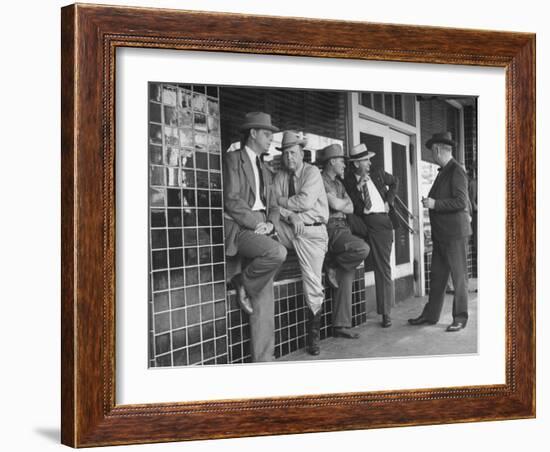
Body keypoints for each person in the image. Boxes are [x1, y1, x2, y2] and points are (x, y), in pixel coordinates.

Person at [223, 112, 287, 362]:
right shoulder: (232, 159)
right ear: (253, 133)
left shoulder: (266, 167)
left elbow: (274, 206)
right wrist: (258, 222)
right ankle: (242, 281)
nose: (271, 138)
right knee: (277, 252)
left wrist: (270, 223)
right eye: (267, 133)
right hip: (240, 228)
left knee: (264, 294)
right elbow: (232, 200)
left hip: (262, 229)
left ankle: (264, 359)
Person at [270, 131, 329, 355]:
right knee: (266, 234)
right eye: (285, 153)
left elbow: (304, 201)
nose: (289, 158)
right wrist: (289, 215)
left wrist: (284, 205)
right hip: (290, 228)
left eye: (293, 153)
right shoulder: (280, 176)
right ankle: (254, 281)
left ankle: (313, 338)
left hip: (312, 233)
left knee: (312, 286)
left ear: (301, 153)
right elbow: (272, 205)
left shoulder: (312, 172)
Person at [408, 132, 472, 332]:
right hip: (442, 235)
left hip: (454, 235)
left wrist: (435, 203)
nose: (431, 155)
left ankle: (460, 318)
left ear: (436, 149)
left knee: (459, 277)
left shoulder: (456, 171)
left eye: (431, 151)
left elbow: (462, 201)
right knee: (437, 277)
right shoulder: (444, 171)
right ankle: (431, 315)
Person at [319, 143, 371, 339]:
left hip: (343, 227)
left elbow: (350, 208)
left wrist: (341, 205)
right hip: (330, 229)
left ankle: (341, 325)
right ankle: (331, 263)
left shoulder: (339, 184)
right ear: (332, 161)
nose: (344, 165)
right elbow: (334, 204)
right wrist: (340, 205)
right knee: (362, 249)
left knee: (346, 273)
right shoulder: (320, 180)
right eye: (341, 161)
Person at [343, 143, 398, 328]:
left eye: (368, 159)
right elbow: (351, 207)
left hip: (382, 222)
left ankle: (386, 312)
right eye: (365, 160)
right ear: (357, 163)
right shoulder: (349, 181)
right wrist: (358, 188)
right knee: (361, 261)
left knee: (382, 268)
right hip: (364, 225)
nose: (369, 163)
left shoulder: (379, 173)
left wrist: (389, 201)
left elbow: (395, 182)